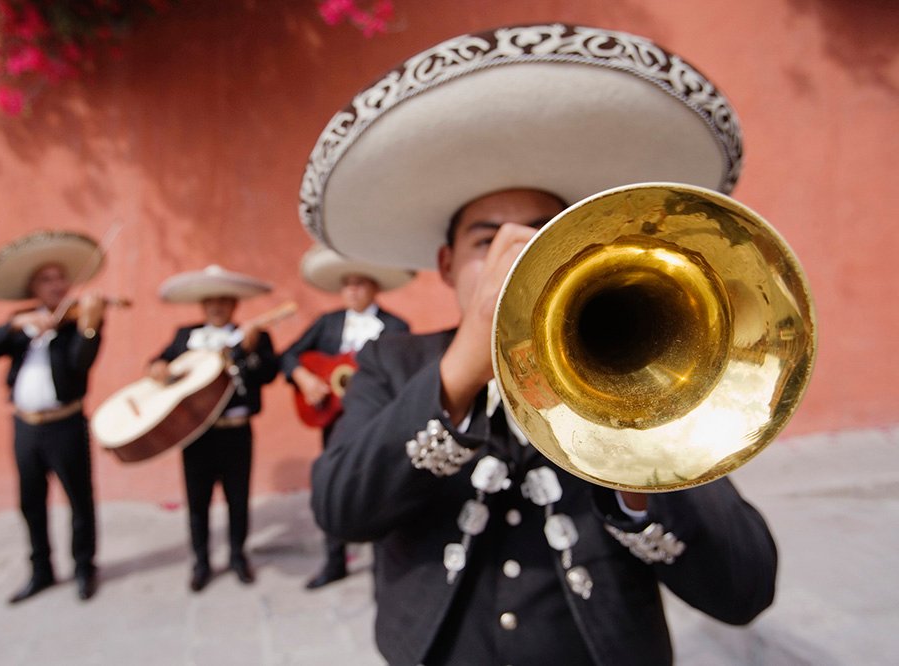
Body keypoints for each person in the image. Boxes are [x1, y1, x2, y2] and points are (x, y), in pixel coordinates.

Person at [301, 24, 779, 665]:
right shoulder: (394, 361)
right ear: (446, 264)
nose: (516, 256)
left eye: (544, 235)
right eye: (486, 240)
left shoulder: (638, 371)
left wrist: (642, 463)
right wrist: (460, 368)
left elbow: (745, 589)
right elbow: (339, 510)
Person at [0, 230, 107, 603]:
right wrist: (17, 325)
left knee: (79, 499)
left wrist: (91, 326)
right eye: (47, 279)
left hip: (65, 424)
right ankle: (41, 571)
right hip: (26, 427)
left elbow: (80, 364)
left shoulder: (80, 322)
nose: (57, 284)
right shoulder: (22, 322)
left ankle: (84, 568)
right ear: (34, 287)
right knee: (30, 501)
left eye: (60, 278)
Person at [280, 244, 413, 589]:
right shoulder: (328, 323)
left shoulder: (396, 326)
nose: (352, 290)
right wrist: (305, 378)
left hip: (378, 421)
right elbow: (290, 355)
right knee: (334, 483)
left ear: (374, 287)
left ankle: (384, 565)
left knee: (382, 484)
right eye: (347, 284)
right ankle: (334, 560)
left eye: (359, 283)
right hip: (335, 420)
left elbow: (403, 375)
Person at [148, 265, 279, 592]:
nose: (217, 307)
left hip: (236, 431)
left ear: (234, 304)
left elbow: (268, 374)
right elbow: (158, 362)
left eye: (223, 301)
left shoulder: (254, 335)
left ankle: (237, 555)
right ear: (202, 305)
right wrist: (157, 368)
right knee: (198, 501)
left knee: (238, 498)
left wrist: (249, 352)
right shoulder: (185, 336)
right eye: (211, 301)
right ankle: (201, 561)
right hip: (196, 433)